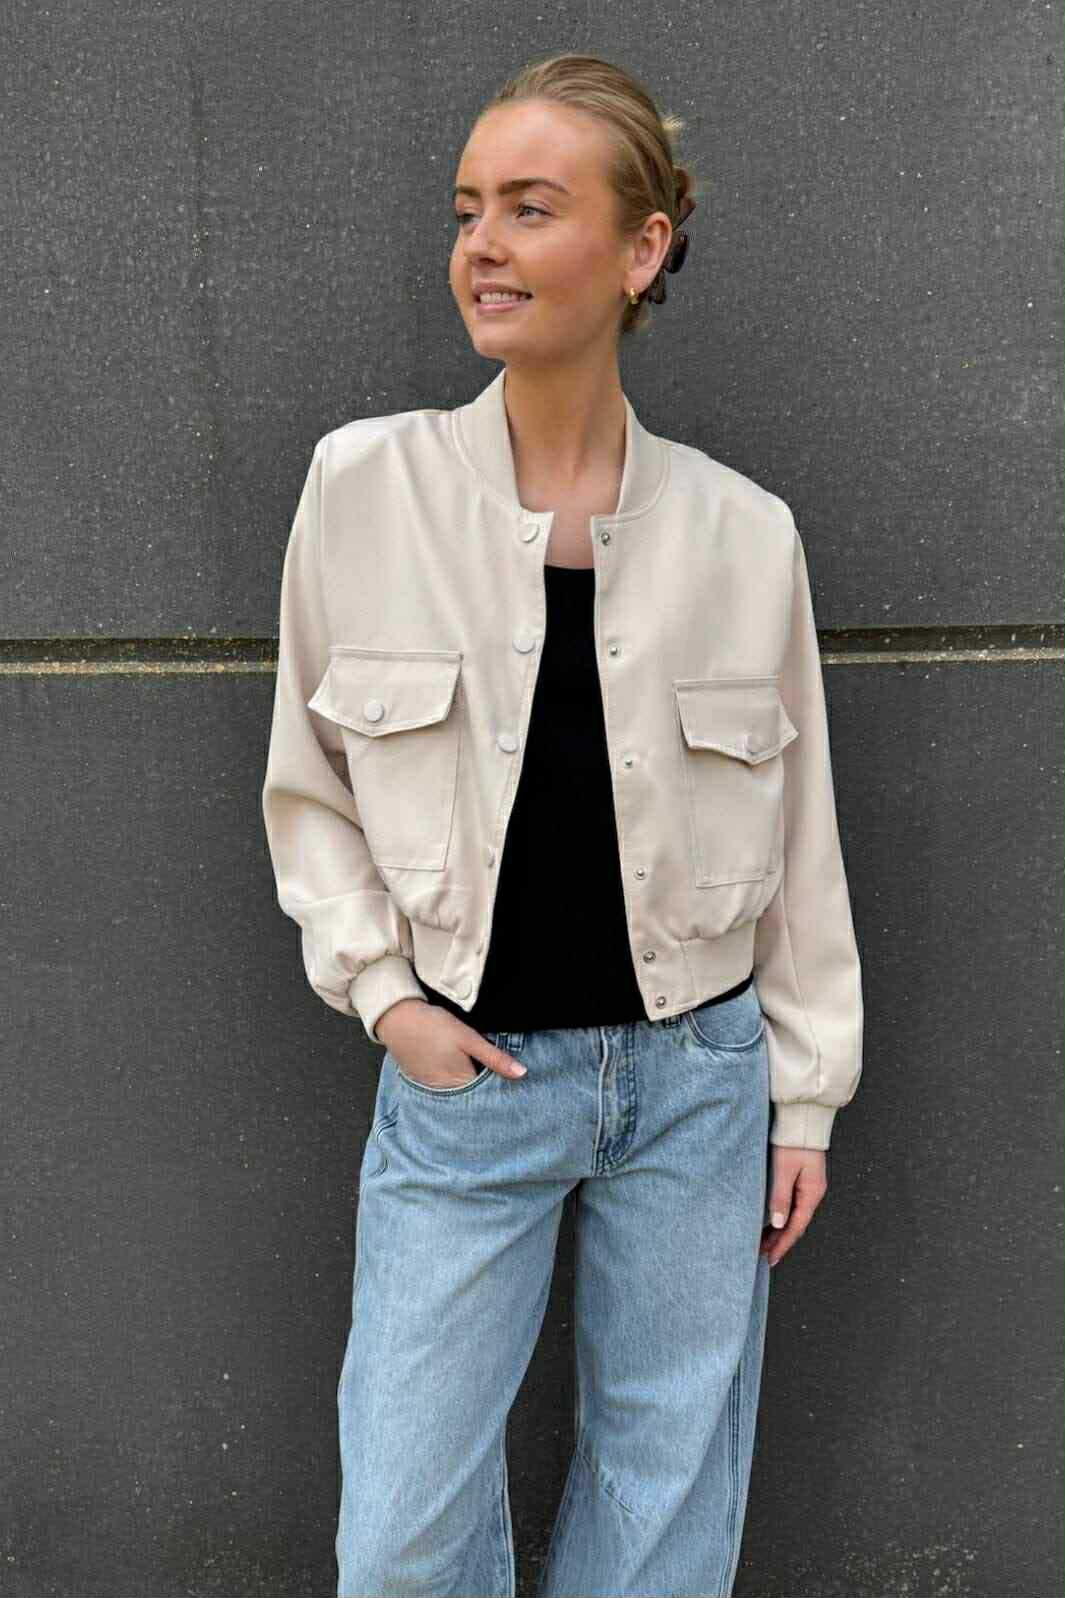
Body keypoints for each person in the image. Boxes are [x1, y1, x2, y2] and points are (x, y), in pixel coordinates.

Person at [261, 50, 864, 1598]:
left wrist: (802, 1096)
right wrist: (385, 998)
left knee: (665, 1512)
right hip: (466, 1081)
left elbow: (799, 844)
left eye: (531, 209)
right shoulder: (364, 486)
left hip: (699, 1083)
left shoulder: (745, 533)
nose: (483, 244)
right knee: (400, 1538)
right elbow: (307, 790)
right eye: (468, 208)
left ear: (640, 247)